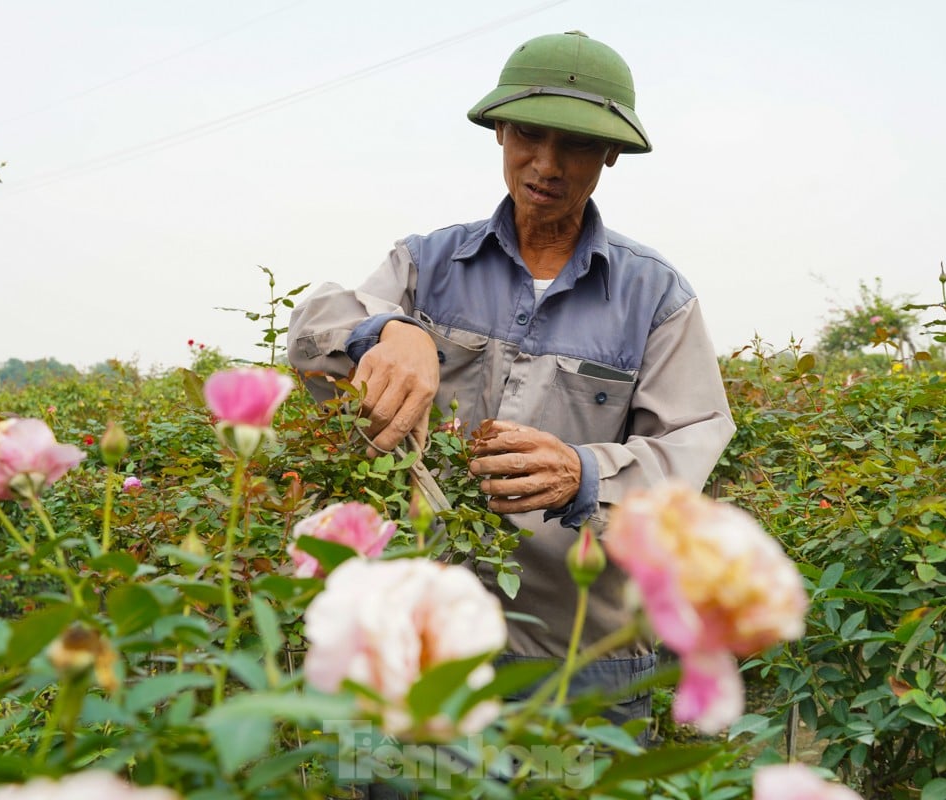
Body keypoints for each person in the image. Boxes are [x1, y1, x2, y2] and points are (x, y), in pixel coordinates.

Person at [287, 30, 735, 727]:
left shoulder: (655, 297)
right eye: (528, 133)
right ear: (499, 131)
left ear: (611, 153)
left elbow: (692, 443)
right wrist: (390, 332)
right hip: (421, 651)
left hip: (582, 659)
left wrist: (586, 475)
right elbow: (315, 332)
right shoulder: (427, 266)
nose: (546, 164)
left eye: (577, 144)